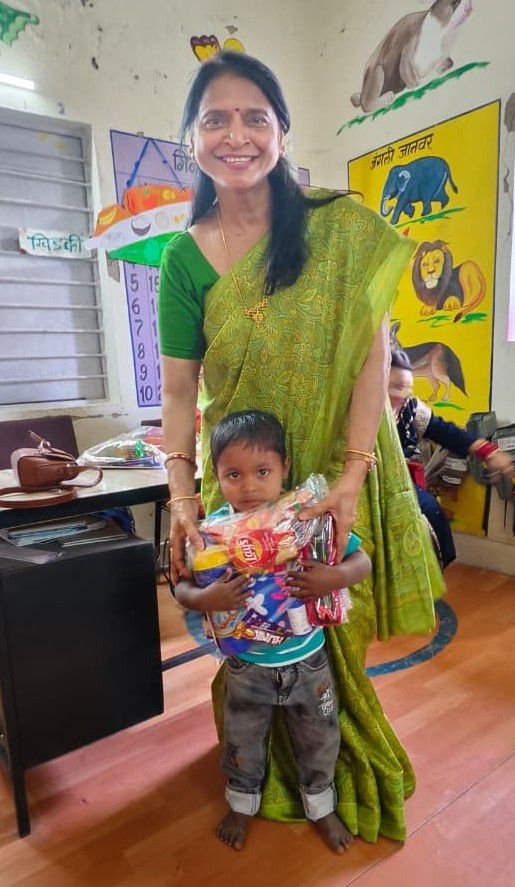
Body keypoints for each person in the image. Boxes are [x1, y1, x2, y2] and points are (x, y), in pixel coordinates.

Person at [159, 51, 445, 843]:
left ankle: (329, 771)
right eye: (215, 119)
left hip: (325, 471)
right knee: (248, 626)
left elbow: (369, 358)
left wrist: (350, 477)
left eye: (255, 117)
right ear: (191, 139)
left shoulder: (337, 230)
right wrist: (181, 500)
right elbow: (179, 392)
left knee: (325, 626)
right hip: (238, 474)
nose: (236, 134)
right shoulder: (183, 257)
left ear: (282, 132)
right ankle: (254, 773)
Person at [175, 410, 372, 853]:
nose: (248, 486)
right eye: (233, 474)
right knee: (242, 741)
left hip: (309, 662)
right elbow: (182, 588)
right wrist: (207, 599)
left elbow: (361, 561)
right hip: (246, 668)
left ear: (285, 468)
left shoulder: (305, 518)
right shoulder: (212, 535)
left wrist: (334, 577)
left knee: (320, 739)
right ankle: (241, 804)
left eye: (262, 471)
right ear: (217, 476)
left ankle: (321, 807)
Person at [389, 349, 514, 568]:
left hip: (396, 483)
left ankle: (430, 577)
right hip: (356, 485)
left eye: (407, 387)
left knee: (430, 512)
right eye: (396, 387)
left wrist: (490, 453)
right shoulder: (357, 412)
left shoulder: (410, 409)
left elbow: (446, 432)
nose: (403, 395)